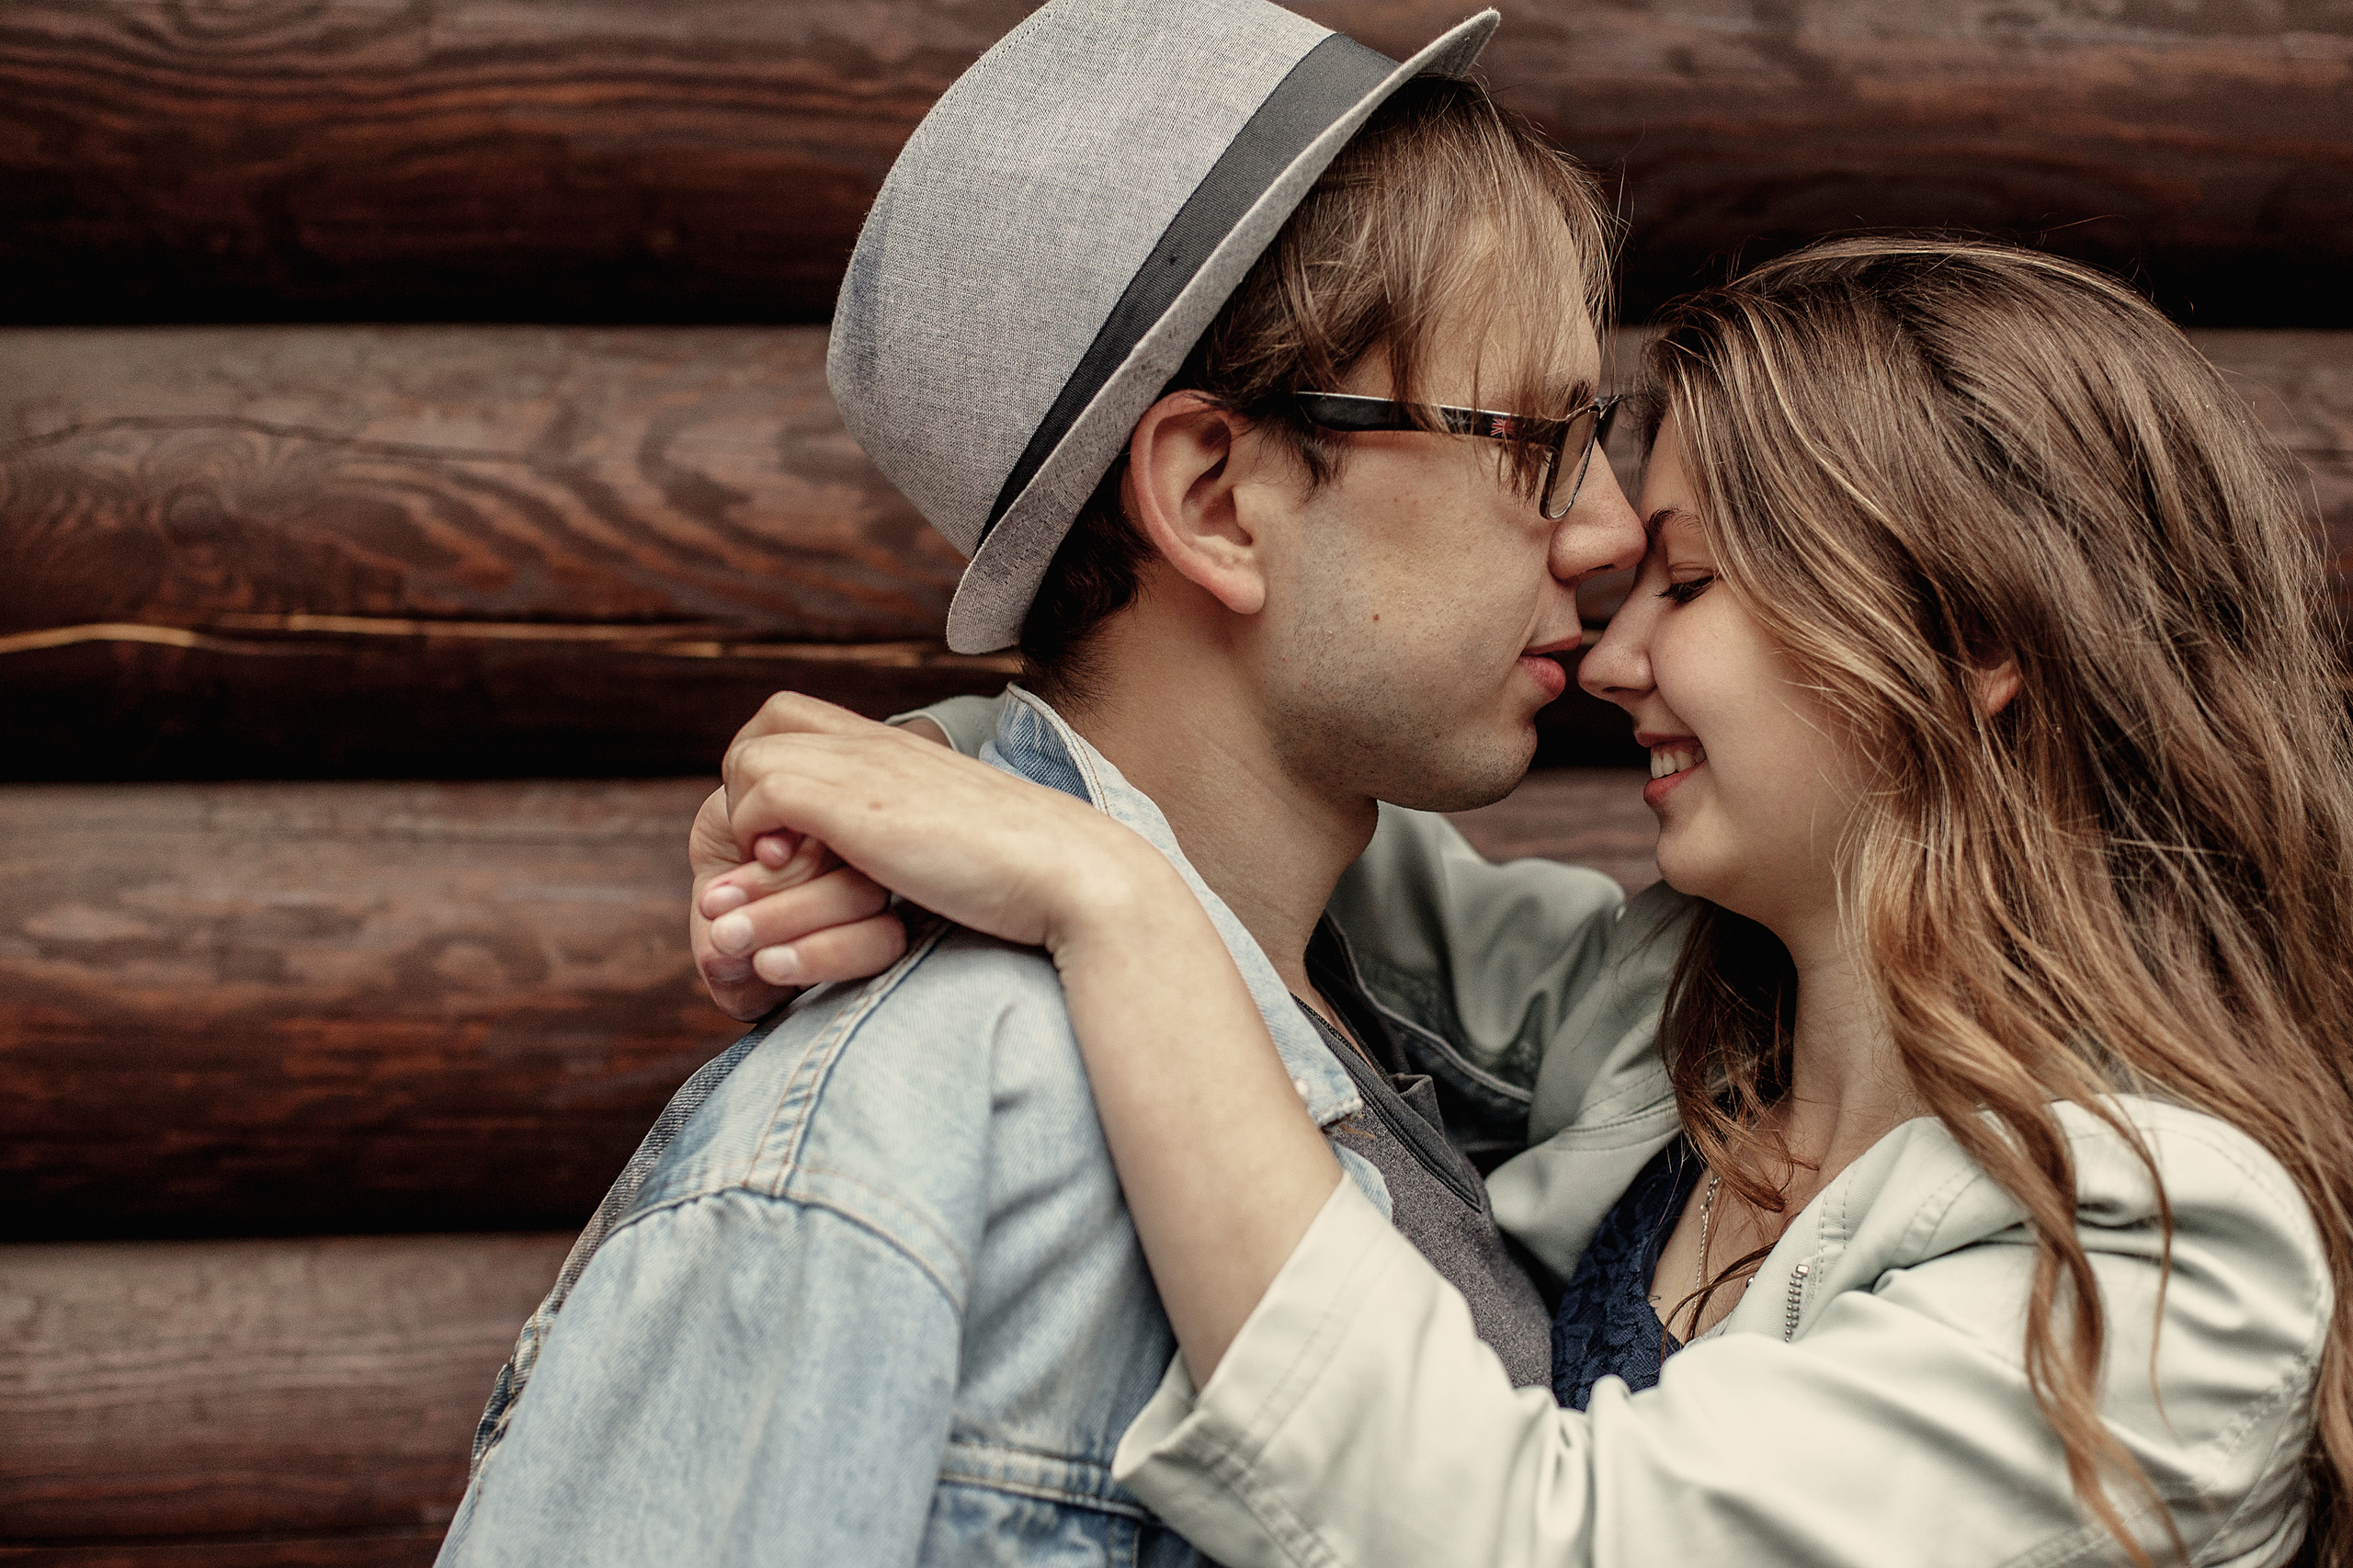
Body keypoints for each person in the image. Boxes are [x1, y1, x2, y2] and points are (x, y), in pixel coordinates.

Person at [701, 238, 2353, 1566]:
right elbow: (1230, 790)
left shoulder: (2165, 1254)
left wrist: (1107, 903)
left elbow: (1532, 1536)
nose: (1616, 655)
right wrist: (883, 796)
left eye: (1689, 585)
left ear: (1977, 639)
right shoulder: (1677, 1040)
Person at [436, 2, 1690, 1562]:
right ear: (1218, 499)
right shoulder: (931, 1108)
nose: (1608, 531)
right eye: (1535, 439)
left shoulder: (1375, 1038)